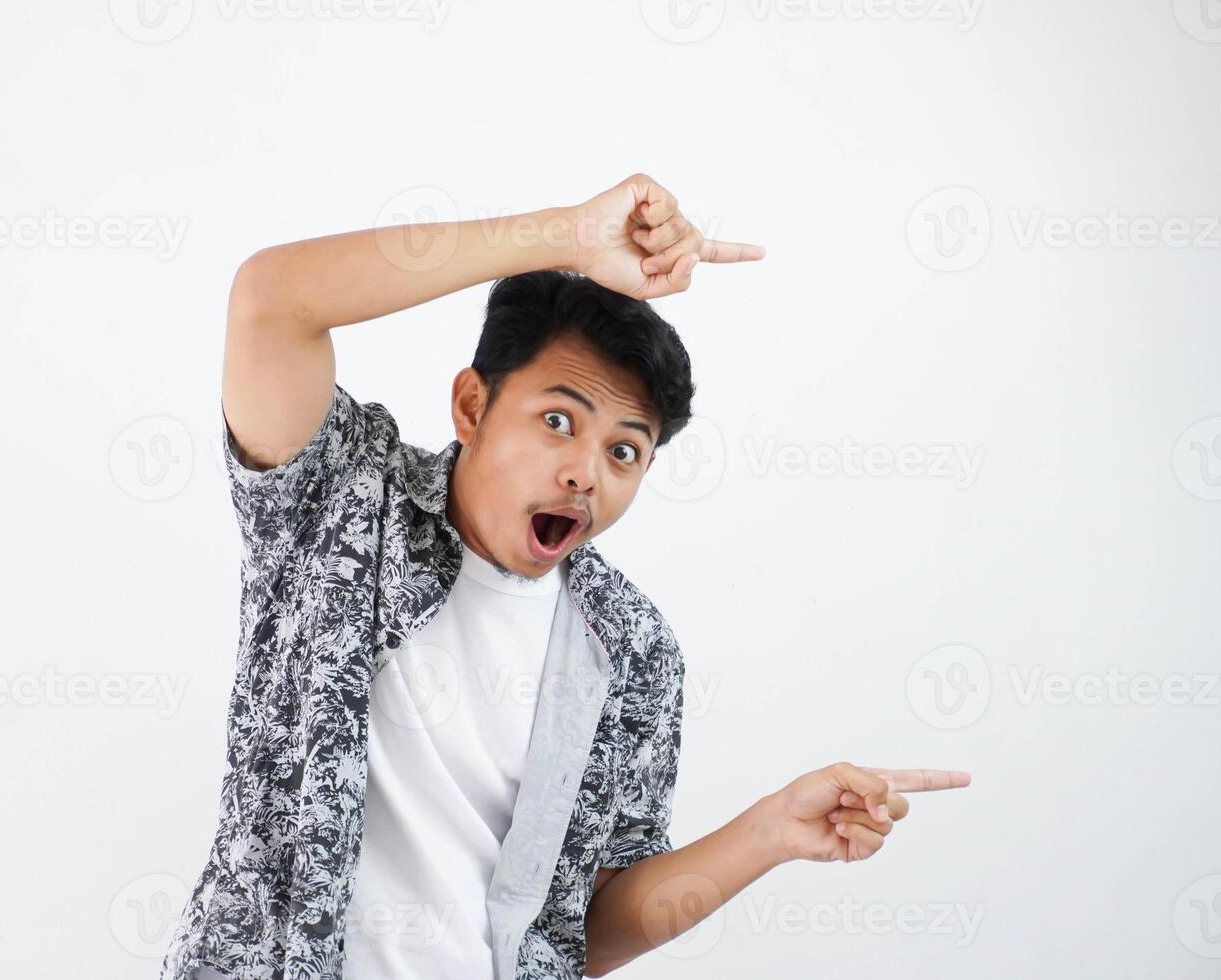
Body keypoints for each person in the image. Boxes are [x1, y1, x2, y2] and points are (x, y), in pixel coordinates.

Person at [159, 173, 972, 980]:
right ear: (473, 406)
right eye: (558, 421)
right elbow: (270, 300)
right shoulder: (343, 498)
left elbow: (581, 935)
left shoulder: (633, 648)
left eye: (625, 450)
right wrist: (569, 237)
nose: (587, 472)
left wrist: (771, 833)